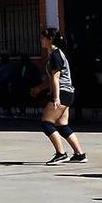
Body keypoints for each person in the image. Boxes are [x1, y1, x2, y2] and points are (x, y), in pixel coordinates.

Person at [33, 28, 86, 165]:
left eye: (43, 37)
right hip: (67, 93)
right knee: (62, 125)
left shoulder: (55, 55)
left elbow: (56, 78)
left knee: (46, 123)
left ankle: (61, 154)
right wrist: (40, 88)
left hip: (62, 93)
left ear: (50, 39)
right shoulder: (55, 54)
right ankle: (79, 154)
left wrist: (56, 98)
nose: (41, 40)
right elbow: (52, 80)